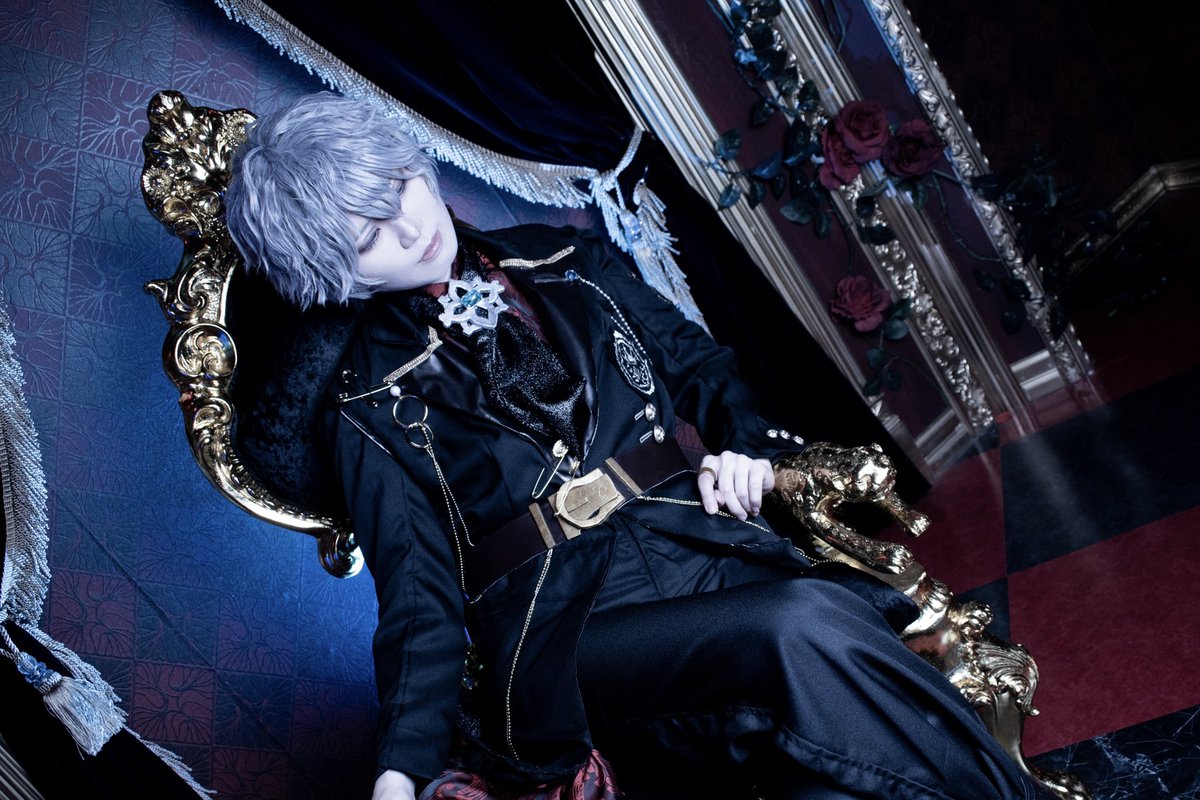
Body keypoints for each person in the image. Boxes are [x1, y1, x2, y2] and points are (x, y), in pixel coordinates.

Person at [225, 93, 1050, 800]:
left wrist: (746, 450)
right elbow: (418, 602)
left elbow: (702, 369)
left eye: (400, 188)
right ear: (338, 276)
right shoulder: (369, 406)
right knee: (798, 622)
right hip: (569, 635)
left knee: (826, 708)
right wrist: (399, 773)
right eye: (369, 237)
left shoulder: (569, 259)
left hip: (704, 544)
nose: (410, 230)